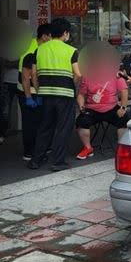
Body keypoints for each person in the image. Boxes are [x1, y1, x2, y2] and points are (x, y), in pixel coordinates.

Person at [29, 18, 81, 172]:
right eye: (68, 33)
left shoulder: (40, 49)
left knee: (45, 127)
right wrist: (72, 87)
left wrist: (39, 91)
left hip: (45, 95)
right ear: (65, 33)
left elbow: (33, 74)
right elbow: (78, 74)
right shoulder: (71, 50)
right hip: (65, 96)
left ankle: (35, 160)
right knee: (63, 128)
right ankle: (58, 162)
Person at [75, 45, 129, 160]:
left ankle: (122, 148)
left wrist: (123, 108)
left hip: (112, 108)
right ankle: (88, 148)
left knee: (124, 119)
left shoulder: (115, 74)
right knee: (81, 121)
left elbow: (124, 91)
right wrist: (81, 106)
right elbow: (81, 94)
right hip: (92, 109)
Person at [17, 23, 52, 160]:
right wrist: (28, 97)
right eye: (51, 36)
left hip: (36, 91)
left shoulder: (40, 47)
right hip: (27, 92)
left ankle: (41, 148)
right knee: (30, 123)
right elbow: (25, 78)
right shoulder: (30, 51)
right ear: (44, 36)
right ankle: (29, 152)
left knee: (39, 121)